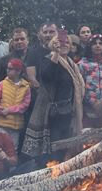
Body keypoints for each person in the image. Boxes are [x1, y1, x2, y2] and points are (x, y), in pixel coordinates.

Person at [22, 30, 85, 161]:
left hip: (69, 113)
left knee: (66, 149)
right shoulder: (49, 59)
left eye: (67, 42)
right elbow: (47, 76)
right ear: (53, 44)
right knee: (55, 149)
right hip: (54, 114)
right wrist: (56, 54)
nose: (64, 44)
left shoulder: (71, 63)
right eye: (60, 42)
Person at [0, 58, 32, 147]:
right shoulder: (2, 84)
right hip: (2, 122)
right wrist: (0, 110)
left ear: (18, 71)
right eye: (8, 68)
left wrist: (9, 110)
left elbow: (25, 105)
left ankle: (12, 161)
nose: (7, 70)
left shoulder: (26, 86)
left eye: (10, 68)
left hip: (16, 124)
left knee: (13, 147)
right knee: (1, 146)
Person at [77, 35, 102, 129]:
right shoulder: (82, 64)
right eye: (94, 43)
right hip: (87, 109)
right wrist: (92, 102)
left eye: (100, 43)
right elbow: (80, 86)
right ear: (90, 46)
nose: (97, 46)